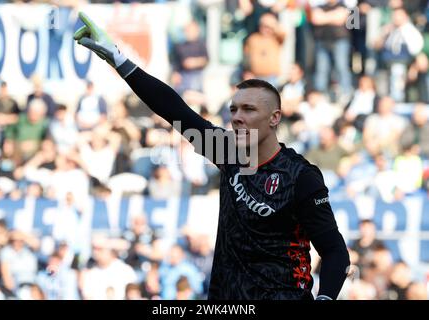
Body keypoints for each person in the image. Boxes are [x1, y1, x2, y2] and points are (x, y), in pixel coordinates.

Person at [74, 12, 350, 300]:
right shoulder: (227, 151)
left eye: (249, 110)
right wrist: (118, 59)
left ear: (274, 118)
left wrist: (325, 298)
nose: (238, 118)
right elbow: (174, 110)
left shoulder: (300, 177)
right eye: (234, 110)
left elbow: (335, 252)